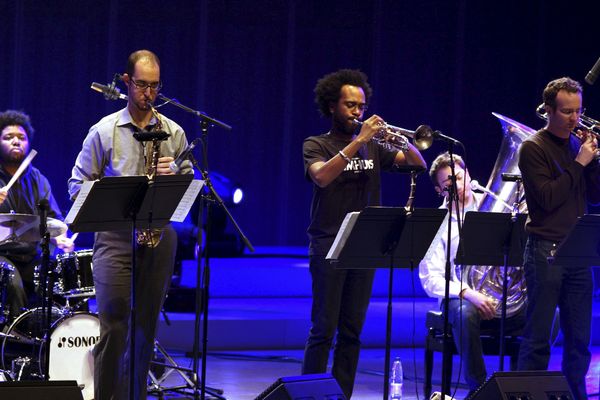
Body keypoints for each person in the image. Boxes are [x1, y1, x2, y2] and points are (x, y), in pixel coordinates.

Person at [69, 50, 192, 400]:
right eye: (141, 85)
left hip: (159, 235)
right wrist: (106, 196)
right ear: (126, 82)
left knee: (145, 330)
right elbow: (77, 184)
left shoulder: (174, 132)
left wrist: (172, 179)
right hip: (116, 238)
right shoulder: (104, 131)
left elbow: (186, 186)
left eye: (154, 86)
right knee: (114, 323)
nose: (148, 94)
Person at [301, 69, 426, 398]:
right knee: (323, 330)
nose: (358, 112)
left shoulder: (374, 148)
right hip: (328, 245)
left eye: (362, 106)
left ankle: (341, 394)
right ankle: (309, 395)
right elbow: (322, 178)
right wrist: (359, 141)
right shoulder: (316, 144)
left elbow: (418, 164)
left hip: (364, 246)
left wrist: (402, 140)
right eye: (350, 105)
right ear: (332, 107)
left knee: (352, 332)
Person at [516, 77, 600, 399]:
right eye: (566, 111)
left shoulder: (579, 146)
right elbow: (549, 199)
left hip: (578, 252)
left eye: (578, 111)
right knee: (537, 339)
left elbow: (593, 196)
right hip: (545, 250)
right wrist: (579, 164)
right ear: (548, 110)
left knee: (579, 341)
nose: (574, 119)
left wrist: (594, 164)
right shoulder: (533, 148)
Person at [419, 152, 526, 394]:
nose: (457, 185)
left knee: (548, 315)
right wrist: (468, 293)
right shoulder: (438, 222)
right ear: (439, 190)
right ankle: (479, 390)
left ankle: (522, 387)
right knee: (465, 314)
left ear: (468, 176)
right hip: (461, 299)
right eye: (449, 183)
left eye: (459, 177)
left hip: (501, 295)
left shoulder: (497, 206)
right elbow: (430, 279)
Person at [0, 109, 74, 326]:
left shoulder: (38, 179)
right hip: (2, 255)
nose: (16, 142)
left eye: (21, 138)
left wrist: (60, 238)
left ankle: (46, 344)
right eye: (8, 137)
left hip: (30, 255)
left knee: (56, 279)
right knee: (11, 282)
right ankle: (12, 345)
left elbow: (53, 221)